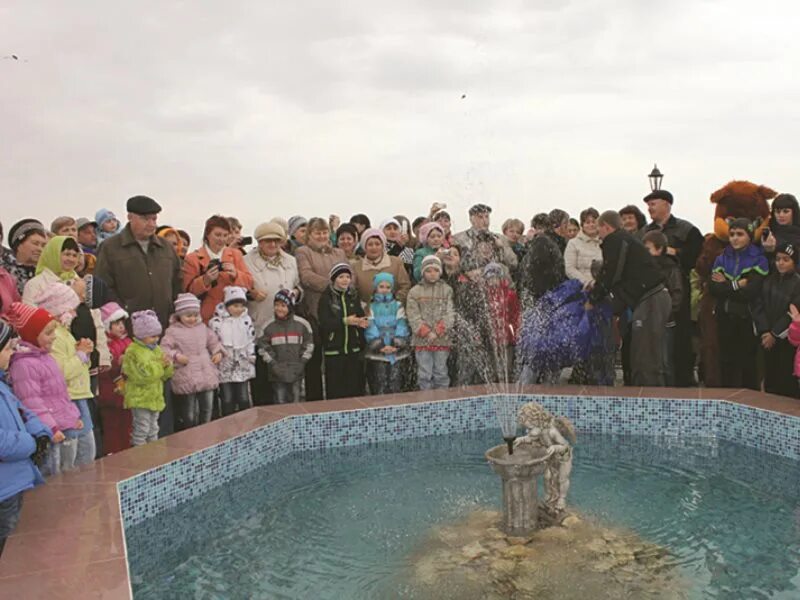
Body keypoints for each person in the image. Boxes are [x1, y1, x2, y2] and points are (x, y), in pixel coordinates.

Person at [589, 211, 670, 386]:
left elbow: (611, 273)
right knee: (643, 353)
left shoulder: (615, 240)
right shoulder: (625, 240)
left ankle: (650, 400)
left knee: (645, 356)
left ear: (606, 227)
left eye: (598, 229)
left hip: (651, 299)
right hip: (651, 297)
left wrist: (593, 298)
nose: (598, 234)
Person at [6, 304, 81, 477]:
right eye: (48, 333)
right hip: (51, 432)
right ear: (32, 335)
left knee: (69, 474)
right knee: (54, 477)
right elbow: (31, 402)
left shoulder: (45, 357)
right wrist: (50, 428)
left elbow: (59, 392)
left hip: (62, 426)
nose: (54, 337)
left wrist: (72, 416)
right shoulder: (24, 364)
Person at [639, 189, 704, 386]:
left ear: (667, 204)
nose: (649, 208)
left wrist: (672, 251)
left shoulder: (687, 229)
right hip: (651, 291)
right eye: (648, 205)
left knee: (680, 338)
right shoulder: (644, 232)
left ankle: (683, 381)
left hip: (679, 291)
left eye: (653, 204)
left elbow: (698, 256)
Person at [0, 321, 52, 557]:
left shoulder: (3, 384)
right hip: (4, 487)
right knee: (9, 547)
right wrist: (31, 443)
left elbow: (22, 411)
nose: (12, 353)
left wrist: (41, 433)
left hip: (14, 480)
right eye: (8, 348)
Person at [94, 195, 182, 330]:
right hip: (129, 329)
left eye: (154, 219)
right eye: (145, 219)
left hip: (164, 327)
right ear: (130, 217)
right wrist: (122, 313)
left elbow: (177, 282)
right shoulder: (110, 247)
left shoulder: (166, 248)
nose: (152, 224)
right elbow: (103, 286)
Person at [243, 222, 301, 404]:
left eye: (277, 241)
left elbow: (298, 285)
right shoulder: (247, 262)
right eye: (268, 241)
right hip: (260, 323)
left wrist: (297, 293)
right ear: (259, 242)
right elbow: (238, 291)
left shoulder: (290, 261)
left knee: (285, 380)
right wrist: (251, 294)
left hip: (285, 329)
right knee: (262, 377)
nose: (273, 245)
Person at [709, 218, 767, 390]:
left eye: (740, 234)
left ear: (749, 236)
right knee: (726, 364)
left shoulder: (759, 259)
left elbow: (751, 292)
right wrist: (737, 284)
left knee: (748, 365)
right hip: (724, 317)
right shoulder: (721, 258)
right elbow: (714, 288)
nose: (734, 238)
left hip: (747, 319)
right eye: (732, 234)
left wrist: (726, 283)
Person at [295, 217, 347, 401]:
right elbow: (307, 276)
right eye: (318, 233)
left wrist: (343, 284)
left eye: (325, 232)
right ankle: (314, 401)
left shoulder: (339, 253)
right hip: (314, 313)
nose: (322, 236)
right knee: (314, 362)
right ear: (309, 234)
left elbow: (349, 275)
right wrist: (334, 285)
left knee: (336, 360)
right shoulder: (303, 252)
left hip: (338, 312)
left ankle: (338, 398)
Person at [160, 294, 223, 430]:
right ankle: (191, 436)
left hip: (205, 373)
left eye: (195, 315)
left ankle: (207, 433)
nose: (192, 319)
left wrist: (217, 352)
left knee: (207, 409)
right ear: (179, 315)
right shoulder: (172, 331)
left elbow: (213, 341)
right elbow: (164, 349)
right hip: (186, 375)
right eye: (188, 316)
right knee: (189, 414)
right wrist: (176, 356)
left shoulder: (203, 327)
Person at [183, 215, 254, 323]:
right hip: (205, 318)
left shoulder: (236, 255)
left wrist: (236, 275)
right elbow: (187, 291)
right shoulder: (192, 259)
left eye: (225, 235)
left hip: (233, 318)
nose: (221, 239)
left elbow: (249, 283)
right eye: (217, 235)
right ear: (207, 234)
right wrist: (205, 280)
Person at [753, 243, 800, 397]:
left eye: (785, 259)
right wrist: (765, 331)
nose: (780, 263)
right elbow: (758, 305)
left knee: (786, 382)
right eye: (778, 259)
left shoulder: (797, 283)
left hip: (787, 341)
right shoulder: (768, 280)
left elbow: (793, 313)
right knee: (769, 380)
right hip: (766, 338)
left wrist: (774, 334)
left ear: (794, 262)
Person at [122, 310, 174, 446]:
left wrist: (168, 365)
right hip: (140, 398)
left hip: (154, 397)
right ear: (141, 335)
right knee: (142, 430)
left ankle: (153, 455)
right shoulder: (133, 351)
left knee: (153, 429)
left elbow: (165, 375)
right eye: (152, 336)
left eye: (157, 336)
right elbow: (143, 376)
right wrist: (161, 365)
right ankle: (140, 458)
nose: (156, 339)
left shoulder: (156, 349)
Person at [318, 262, 368, 399]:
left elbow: (360, 314)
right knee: (336, 390)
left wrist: (361, 323)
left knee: (355, 387)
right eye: (341, 277)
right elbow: (324, 323)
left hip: (353, 350)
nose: (345, 280)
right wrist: (344, 321)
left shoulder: (353, 295)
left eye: (347, 276)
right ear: (334, 279)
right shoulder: (326, 298)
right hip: (334, 350)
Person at [406, 256, 455, 390]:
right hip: (422, 340)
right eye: (428, 271)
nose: (432, 274)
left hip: (441, 339)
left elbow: (450, 313)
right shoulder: (414, 292)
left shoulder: (447, 290)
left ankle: (442, 399)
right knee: (424, 373)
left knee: (441, 372)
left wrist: (438, 330)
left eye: (435, 270)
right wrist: (426, 332)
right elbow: (413, 315)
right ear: (422, 272)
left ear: (440, 272)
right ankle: (426, 400)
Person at [643, 231, 685, 386]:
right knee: (649, 360)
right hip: (648, 319)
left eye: (648, 249)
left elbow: (677, 294)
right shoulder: (645, 268)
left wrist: (666, 313)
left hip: (666, 321)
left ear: (659, 249)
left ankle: (668, 391)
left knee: (665, 360)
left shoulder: (671, 268)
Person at [258, 290, 314, 404]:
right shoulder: (268, 326)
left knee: (296, 401)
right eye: (276, 305)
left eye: (283, 305)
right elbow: (262, 347)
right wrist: (273, 364)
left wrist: (302, 362)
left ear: (291, 307)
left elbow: (309, 344)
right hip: (277, 372)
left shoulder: (302, 324)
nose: (279, 309)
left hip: (296, 371)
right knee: (280, 401)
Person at [209, 286, 255, 416]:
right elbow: (213, 341)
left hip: (242, 363)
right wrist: (217, 352)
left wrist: (251, 354)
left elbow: (251, 338)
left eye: (241, 306)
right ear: (227, 305)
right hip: (225, 364)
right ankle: (228, 425)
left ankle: (246, 424)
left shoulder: (246, 320)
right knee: (227, 398)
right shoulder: (216, 322)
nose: (239, 309)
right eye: (235, 306)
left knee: (244, 397)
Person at [364, 273, 411, 394]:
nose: (384, 290)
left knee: (395, 378)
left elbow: (401, 324)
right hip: (379, 348)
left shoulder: (398, 305)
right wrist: (379, 344)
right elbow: (370, 325)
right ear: (376, 288)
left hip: (395, 348)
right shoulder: (371, 306)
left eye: (388, 287)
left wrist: (397, 343)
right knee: (379, 378)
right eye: (381, 286)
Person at [97, 302, 132, 454]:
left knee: (127, 423)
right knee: (112, 425)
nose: (121, 327)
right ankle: (112, 452)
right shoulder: (104, 345)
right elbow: (104, 369)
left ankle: (126, 450)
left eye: (122, 323)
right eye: (116, 323)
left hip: (126, 392)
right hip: (110, 392)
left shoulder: (128, 342)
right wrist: (117, 363)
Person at [352, 228, 412, 306]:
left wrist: (395, 302)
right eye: (370, 244)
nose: (374, 247)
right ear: (364, 247)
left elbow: (405, 286)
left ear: (382, 245)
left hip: (394, 310)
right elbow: (354, 291)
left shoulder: (396, 262)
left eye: (377, 244)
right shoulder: (356, 267)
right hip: (367, 312)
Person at [483, 262, 520, 383]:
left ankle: (507, 387)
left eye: (495, 278)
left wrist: (514, 333)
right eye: (490, 278)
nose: (493, 281)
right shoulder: (484, 296)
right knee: (493, 368)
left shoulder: (510, 295)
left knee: (507, 367)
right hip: (491, 338)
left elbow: (516, 315)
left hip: (507, 338)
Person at [453, 204, 518, 270]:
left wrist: (502, 248)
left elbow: (513, 264)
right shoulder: (459, 239)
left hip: (497, 278)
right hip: (471, 278)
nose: (485, 220)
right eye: (480, 217)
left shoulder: (500, 238)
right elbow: (454, 266)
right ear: (471, 220)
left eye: (487, 217)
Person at [22, 235, 80, 305]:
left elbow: (94, 312)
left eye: (75, 255)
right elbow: (30, 313)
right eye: (67, 254)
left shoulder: (79, 281)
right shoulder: (35, 285)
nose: (71, 259)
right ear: (53, 254)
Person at [1, 219, 47, 296]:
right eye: (35, 244)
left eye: (43, 246)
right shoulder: (3, 271)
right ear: (19, 245)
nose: (40, 249)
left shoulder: (46, 273)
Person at [564, 208, 602, 286]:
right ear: (582, 225)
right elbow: (569, 268)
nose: (591, 225)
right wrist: (587, 282)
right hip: (582, 288)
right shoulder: (573, 243)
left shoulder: (605, 242)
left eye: (594, 222)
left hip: (604, 288)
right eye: (587, 222)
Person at [761, 193, 800, 259]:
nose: (781, 215)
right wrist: (769, 251)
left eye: (786, 211)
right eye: (777, 212)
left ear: (794, 212)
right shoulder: (769, 233)